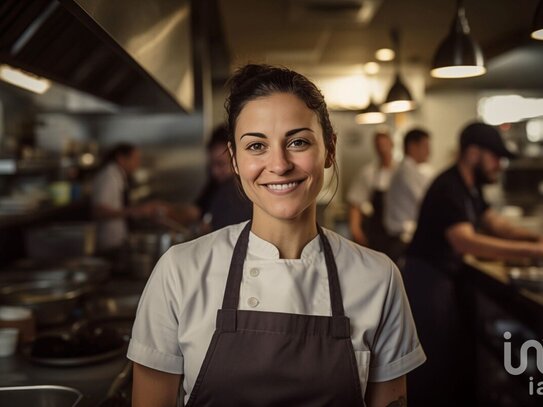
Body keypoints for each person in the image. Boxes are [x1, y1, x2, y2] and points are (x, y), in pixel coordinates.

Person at [128, 64, 426, 407]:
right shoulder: (179, 272)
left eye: (298, 142)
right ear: (235, 161)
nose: (280, 164)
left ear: (329, 149)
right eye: (256, 146)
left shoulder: (379, 278)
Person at [403, 122, 543, 406]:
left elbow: (497, 224)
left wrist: (535, 237)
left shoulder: (470, 187)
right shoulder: (448, 187)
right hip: (426, 283)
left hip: (443, 279)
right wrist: (533, 251)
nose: (500, 164)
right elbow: (466, 242)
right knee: (433, 364)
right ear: (473, 153)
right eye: (495, 156)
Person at [92, 143, 160, 252]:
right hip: (109, 242)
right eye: (135, 159)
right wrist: (134, 211)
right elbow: (99, 211)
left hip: (118, 240)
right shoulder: (109, 176)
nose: (138, 163)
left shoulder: (118, 175)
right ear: (121, 158)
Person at [384, 128, 434, 262]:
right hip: (401, 241)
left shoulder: (408, 170)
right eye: (426, 146)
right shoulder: (407, 172)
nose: (429, 152)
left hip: (400, 239)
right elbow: (427, 201)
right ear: (412, 146)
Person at [194, 124, 252, 231]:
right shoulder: (218, 185)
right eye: (212, 165)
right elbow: (198, 209)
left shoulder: (232, 190)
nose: (214, 171)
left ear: (237, 160)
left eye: (220, 164)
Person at [347, 131, 396, 252]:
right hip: (376, 232)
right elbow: (355, 204)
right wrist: (356, 231)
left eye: (385, 144)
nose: (383, 148)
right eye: (379, 145)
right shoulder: (368, 173)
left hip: (399, 234)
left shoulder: (401, 172)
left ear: (392, 144)